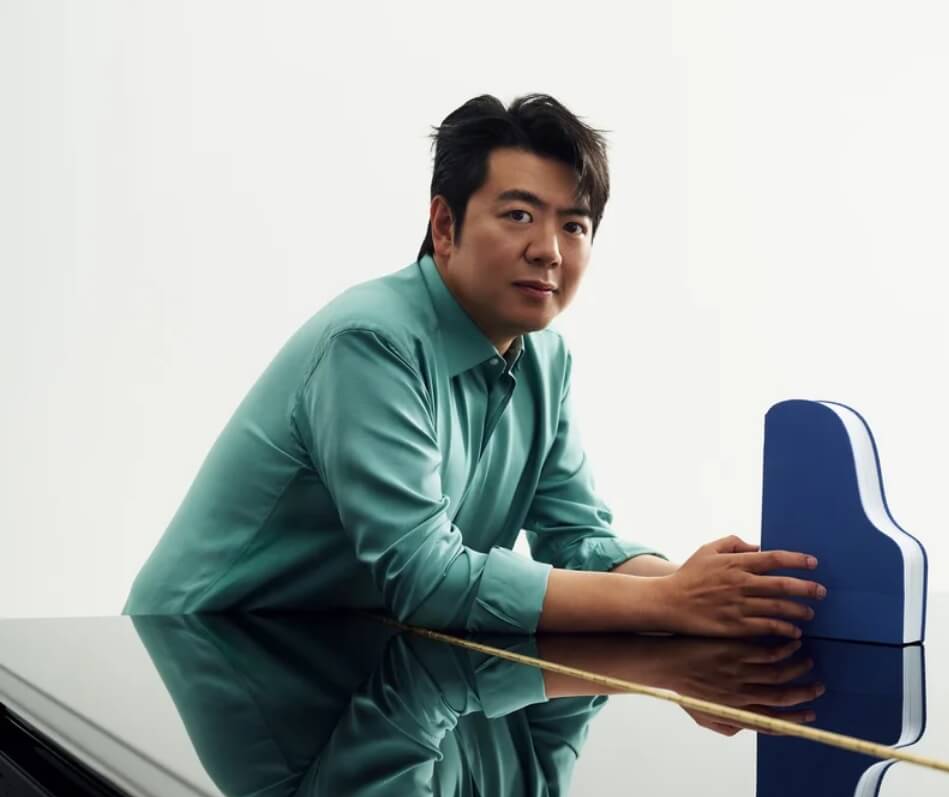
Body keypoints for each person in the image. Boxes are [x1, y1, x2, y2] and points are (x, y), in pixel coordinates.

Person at [123, 93, 826, 638]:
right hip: (196, 661)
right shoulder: (371, 342)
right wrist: (672, 603)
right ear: (444, 226)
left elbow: (576, 537)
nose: (549, 249)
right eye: (519, 215)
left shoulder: (545, 355)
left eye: (574, 225)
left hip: (341, 652)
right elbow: (425, 579)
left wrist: (707, 590)